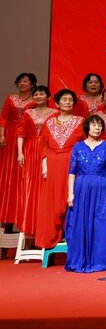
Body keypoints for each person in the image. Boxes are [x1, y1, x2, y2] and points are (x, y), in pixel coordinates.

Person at [65, 115, 106, 273]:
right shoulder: (78, 147)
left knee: (101, 223)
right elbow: (72, 172)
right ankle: (80, 259)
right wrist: (70, 194)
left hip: (102, 187)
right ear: (87, 127)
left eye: (100, 125)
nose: (97, 128)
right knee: (80, 223)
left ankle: (100, 260)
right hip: (82, 188)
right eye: (94, 125)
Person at [35, 89, 85, 249]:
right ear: (57, 103)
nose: (68, 102)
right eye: (64, 99)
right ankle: (50, 240)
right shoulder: (49, 122)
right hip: (53, 164)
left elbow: (85, 144)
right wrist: (44, 165)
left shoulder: (81, 121)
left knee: (71, 198)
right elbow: (44, 146)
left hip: (72, 163)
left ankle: (73, 239)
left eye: (70, 100)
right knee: (52, 202)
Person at [16, 85, 56, 234]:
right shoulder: (27, 113)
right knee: (29, 186)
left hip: (48, 149)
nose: (38, 96)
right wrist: (20, 152)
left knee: (45, 185)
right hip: (30, 150)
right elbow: (21, 133)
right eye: (36, 94)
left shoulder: (55, 113)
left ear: (48, 97)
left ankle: (45, 225)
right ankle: (29, 225)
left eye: (42, 94)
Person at [0, 72, 36, 226]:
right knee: (7, 171)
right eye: (20, 81)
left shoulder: (36, 100)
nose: (22, 83)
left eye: (26, 81)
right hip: (10, 136)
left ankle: (20, 212)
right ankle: (4, 212)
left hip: (26, 137)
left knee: (22, 172)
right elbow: (3, 117)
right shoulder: (11, 98)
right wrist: (2, 135)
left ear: (32, 84)